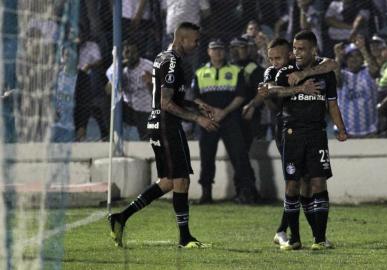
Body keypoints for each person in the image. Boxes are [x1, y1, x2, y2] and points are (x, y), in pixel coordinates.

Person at [108, 22, 218, 248]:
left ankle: (121, 218)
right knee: (182, 180)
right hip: (167, 126)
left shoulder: (163, 57)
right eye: (195, 41)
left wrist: (196, 104)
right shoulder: (173, 62)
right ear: (183, 39)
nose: (198, 45)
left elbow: (168, 96)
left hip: (160, 124)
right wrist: (198, 119)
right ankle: (185, 238)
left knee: (168, 182)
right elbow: (165, 102)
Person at [244, 37, 338, 246]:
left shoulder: (304, 65)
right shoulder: (272, 73)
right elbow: (271, 99)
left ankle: (300, 233)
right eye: (270, 58)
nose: (273, 62)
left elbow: (331, 63)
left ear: (290, 55)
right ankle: (302, 233)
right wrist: (260, 99)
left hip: (308, 128)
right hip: (286, 128)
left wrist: (305, 75)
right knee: (297, 181)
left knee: (306, 181)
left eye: (277, 57)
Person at [274, 30, 347, 250]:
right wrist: (297, 87)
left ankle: (320, 239)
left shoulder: (324, 72)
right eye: (294, 48)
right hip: (292, 133)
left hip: (317, 133)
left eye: (302, 49)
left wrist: (340, 128)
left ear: (313, 49)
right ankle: (295, 237)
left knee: (318, 182)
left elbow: (332, 103)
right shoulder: (286, 70)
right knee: (293, 184)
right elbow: (274, 92)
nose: (297, 53)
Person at [192, 39, 258, 204]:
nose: (218, 52)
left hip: (231, 120)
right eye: (214, 49)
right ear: (208, 52)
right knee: (207, 156)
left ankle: (245, 192)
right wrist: (211, 112)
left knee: (239, 156)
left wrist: (224, 111)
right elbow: (195, 98)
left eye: (220, 49)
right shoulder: (199, 72)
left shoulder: (236, 71)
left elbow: (241, 96)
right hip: (209, 121)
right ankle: (206, 194)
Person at [106, 41, 153, 140]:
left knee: (147, 139)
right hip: (127, 109)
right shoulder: (119, 69)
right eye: (127, 52)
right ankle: (110, 138)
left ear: (138, 53)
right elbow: (108, 91)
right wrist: (115, 75)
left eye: (133, 52)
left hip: (145, 110)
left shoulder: (148, 66)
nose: (130, 55)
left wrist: (151, 82)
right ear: (122, 54)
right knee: (106, 104)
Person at [334, 36, 379, 138]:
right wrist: (338, 57)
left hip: (369, 131)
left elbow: (375, 71)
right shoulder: (342, 74)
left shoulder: (367, 72)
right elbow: (335, 81)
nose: (354, 59)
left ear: (362, 58)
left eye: (358, 56)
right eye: (350, 56)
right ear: (346, 59)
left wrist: (363, 49)